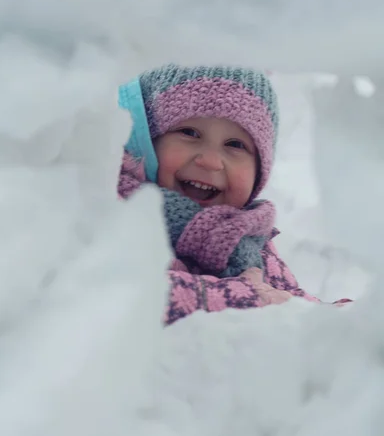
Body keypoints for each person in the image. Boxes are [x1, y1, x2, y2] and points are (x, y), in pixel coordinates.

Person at [118, 64, 349, 324]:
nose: (211, 161)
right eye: (189, 133)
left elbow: (288, 300)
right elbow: (132, 299)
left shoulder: (247, 239)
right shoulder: (118, 212)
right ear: (147, 140)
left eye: (235, 145)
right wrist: (251, 300)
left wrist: (339, 319)